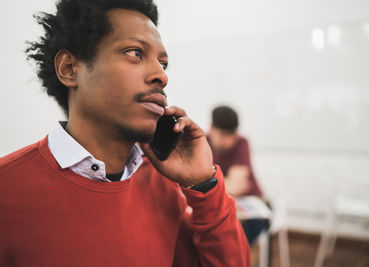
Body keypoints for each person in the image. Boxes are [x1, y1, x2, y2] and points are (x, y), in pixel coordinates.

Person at [0, 1, 250, 266]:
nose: (161, 76)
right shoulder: (7, 191)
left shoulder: (163, 188)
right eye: (135, 52)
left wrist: (203, 185)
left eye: (163, 64)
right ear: (70, 69)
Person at [207, 105, 267, 245]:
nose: (228, 141)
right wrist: (227, 182)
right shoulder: (201, 141)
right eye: (223, 135)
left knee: (230, 242)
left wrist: (206, 180)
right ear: (211, 128)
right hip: (218, 208)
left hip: (252, 209)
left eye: (231, 135)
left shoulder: (242, 143)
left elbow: (236, 187)